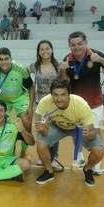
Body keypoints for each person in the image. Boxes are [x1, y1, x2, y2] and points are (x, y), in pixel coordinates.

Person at [60, 31, 104, 175]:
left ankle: (97, 162)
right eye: (73, 45)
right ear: (69, 46)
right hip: (76, 105)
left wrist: (100, 60)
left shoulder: (95, 54)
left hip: (95, 103)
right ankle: (79, 156)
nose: (76, 47)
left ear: (85, 43)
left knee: (96, 133)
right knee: (77, 132)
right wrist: (62, 71)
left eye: (79, 43)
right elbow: (63, 83)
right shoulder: (68, 59)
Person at [35, 79, 104, 187]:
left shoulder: (81, 105)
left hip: (78, 128)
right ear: (51, 94)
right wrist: (43, 129)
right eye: (55, 95)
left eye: (63, 95)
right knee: (40, 144)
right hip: (57, 126)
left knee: (99, 151)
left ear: (69, 94)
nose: (59, 99)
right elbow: (42, 132)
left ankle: (88, 169)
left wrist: (89, 134)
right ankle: (49, 171)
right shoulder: (44, 103)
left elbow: (93, 133)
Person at [0, 48, 34, 156]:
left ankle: (24, 149)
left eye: (6, 59)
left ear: (11, 59)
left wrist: (30, 107)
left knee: (26, 120)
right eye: (1, 59)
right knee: (1, 122)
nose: (4, 62)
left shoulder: (21, 70)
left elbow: (31, 87)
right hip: (2, 99)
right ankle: (5, 148)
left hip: (19, 98)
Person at [28, 40, 63, 171]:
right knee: (42, 131)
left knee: (54, 132)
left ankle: (53, 158)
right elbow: (23, 74)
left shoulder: (58, 66)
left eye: (47, 48)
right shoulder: (34, 66)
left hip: (55, 105)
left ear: (52, 50)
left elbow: (65, 82)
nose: (45, 51)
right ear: (38, 52)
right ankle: (44, 157)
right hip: (39, 104)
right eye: (42, 49)